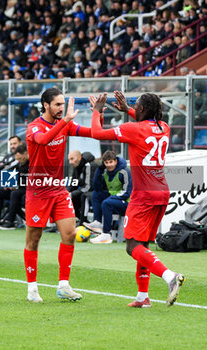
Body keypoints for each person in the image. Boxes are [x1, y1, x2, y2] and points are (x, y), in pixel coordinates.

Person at [90, 91, 185, 308]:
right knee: (143, 245)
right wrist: (128, 110)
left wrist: (97, 112)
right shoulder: (164, 127)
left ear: (141, 110)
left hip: (143, 195)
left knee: (131, 246)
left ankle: (170, 277)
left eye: (136, 105)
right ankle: (143, 297)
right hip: (162, 193)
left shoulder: (133, 129)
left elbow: (97, 133)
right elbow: (146, 123)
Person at [25, 87, 94, 303]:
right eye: (57, 104)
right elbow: (44, 139)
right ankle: (32, 288)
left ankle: (63, 285)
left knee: (70, 234)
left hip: (58, 189)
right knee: (34, 240)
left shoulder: (65, 124)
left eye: (63, 104)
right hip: (37, 191)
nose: (61, 108)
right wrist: (65, 121)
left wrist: (97, 113)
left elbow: (91, 132)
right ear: (45, 105)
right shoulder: (34, 127)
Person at [84, 150, 132, 244]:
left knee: (107, 203)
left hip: (127, 203)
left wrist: (111, 198)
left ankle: (106, 234)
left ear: (116, 161)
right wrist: (99, 170)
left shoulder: (124, 172)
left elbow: (127, 192)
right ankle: (98, 222)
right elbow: (96, 187)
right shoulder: (105, 171)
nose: (109, 165)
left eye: (111, 162)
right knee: (96, 194)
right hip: (114, 200)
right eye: (106, 162)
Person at [0, 144, 29, 229]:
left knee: (15, 194)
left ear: (26, 153)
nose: (19, 161)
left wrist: (16, 186)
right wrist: (8, 184)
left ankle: (10, 221)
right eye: (17, 159)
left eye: (20, 158)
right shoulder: (18, 164)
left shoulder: (33, 164)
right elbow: (14, 175)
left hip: (29, 189)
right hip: (19, 188)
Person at [67, 150, 98, 225]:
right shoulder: (76, 166)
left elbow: (88, 187)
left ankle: (83, 222)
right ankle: (75, 221)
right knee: (69, 197)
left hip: (97, 192)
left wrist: (72, 194)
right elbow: (73, 184)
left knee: (83, 196)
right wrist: (66, 193)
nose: (70, 162)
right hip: (86, 191)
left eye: (72, 159)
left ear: (80, 157)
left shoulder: (90, 165)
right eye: (69, 160)